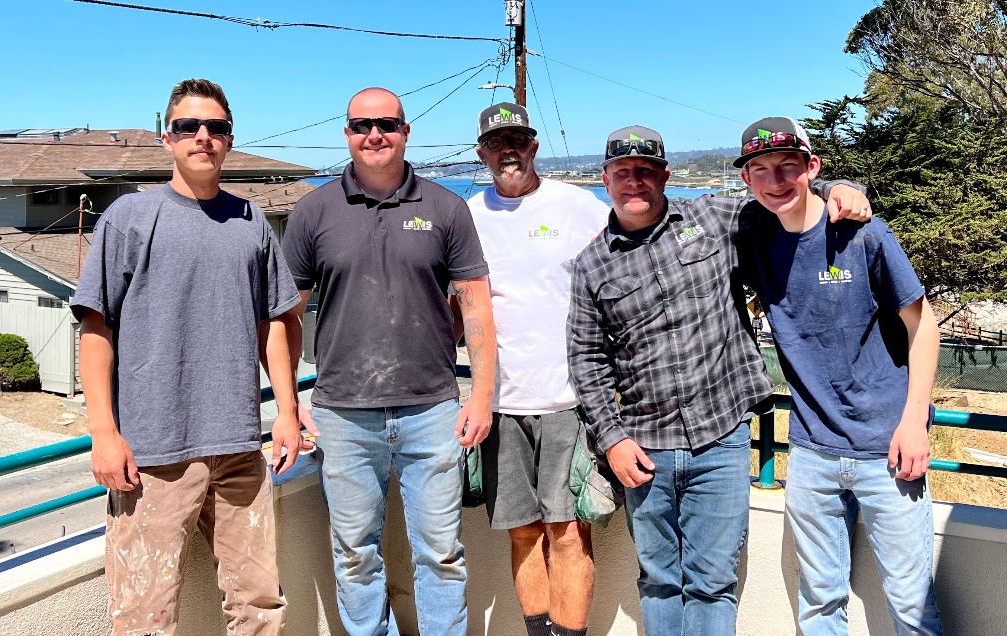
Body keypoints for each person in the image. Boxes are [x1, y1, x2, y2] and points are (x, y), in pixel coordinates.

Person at [566, 125, 871, 636]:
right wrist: (611, 438)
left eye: (645, 171)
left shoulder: (713, 217)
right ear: (605, 180)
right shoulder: (591, 264)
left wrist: (838, 188)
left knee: (713, 580)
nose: (634, 182)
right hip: (644, 447)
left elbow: (786, 200)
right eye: (623, 173)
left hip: (721, 439)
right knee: (660, 581)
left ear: (665, 175)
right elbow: (585, 359)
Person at [72, 78, 304, 636]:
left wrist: (289, 413)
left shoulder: (251, 222)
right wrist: (103, 431)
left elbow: (275, 323)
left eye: (216, 128)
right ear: (167, 137)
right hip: (152, 455)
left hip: (241, 450)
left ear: (229, 140)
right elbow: (95, 327)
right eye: (188, 127)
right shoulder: (128, 218)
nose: (203, 136)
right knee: (143, 615)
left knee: (260, 605)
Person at [281, 86, 497, 636]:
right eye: (360, 125)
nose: (373, 135)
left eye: (386, 124)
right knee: (355, 554)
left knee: (442, 555)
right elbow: (285, 316)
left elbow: (475, 306)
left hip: (433, 412)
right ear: (346, 134)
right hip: (344, 414)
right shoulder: (314, 211)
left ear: (405, 130)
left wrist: (481, 395)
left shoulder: (446, 208)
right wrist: (288, 405)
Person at [735, 117, 943, 635]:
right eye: (759, 170)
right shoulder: (752, 237)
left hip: (887, 449)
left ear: (812, 167)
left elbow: (924, 326)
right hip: (810, 452)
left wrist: (915, 421)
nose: (775, 180)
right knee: (820, 603)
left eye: (788, 166)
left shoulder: (861, 232)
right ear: (745, 180)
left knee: (911, 604)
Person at [463, 102, 609, 636]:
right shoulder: (470, 215)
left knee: (569, 533)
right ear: (482, 152)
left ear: (534, 145)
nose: (509, 151)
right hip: (499, 405)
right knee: (522, 533)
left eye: (518, 139)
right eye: (497, 143)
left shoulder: (577, 206)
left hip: (568, 400)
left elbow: (635, 243)